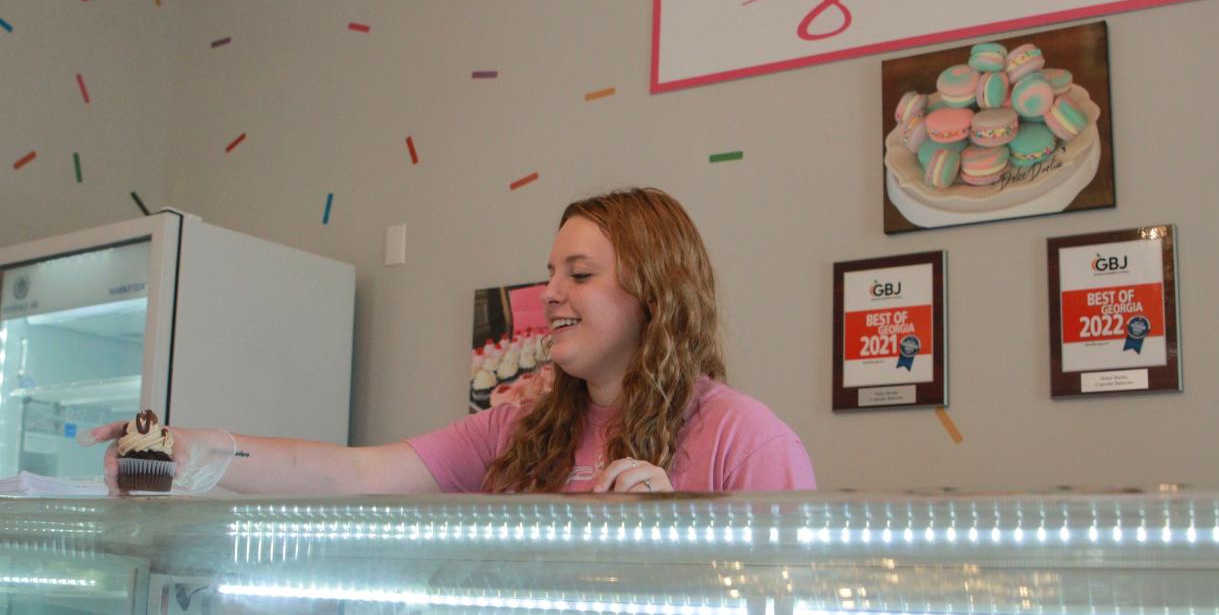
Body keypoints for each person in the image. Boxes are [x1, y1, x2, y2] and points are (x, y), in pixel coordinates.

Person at [86, 188, 816, 494]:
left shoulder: (745, 442)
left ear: (656, 292)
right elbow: (357, 475)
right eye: (550, 273)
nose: (551, 293)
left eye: (581, 273)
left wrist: (674, 546)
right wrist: (203, 450)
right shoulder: (524, 428)